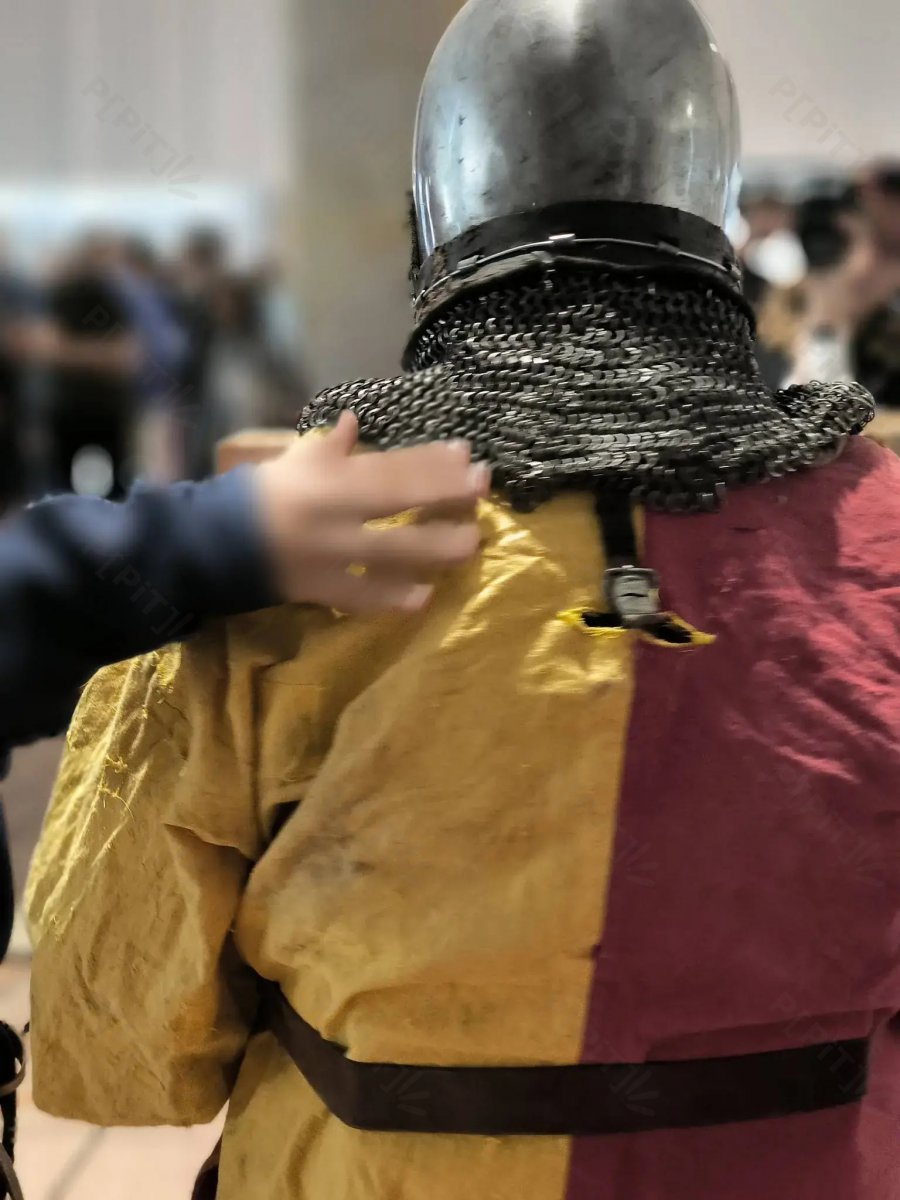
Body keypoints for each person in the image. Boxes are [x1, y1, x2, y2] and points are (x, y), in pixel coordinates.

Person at [24, 2, 899, 1199]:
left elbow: (124, 1043)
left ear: (439, 212)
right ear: (717, 210)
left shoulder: (273, 561)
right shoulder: (883, 536)